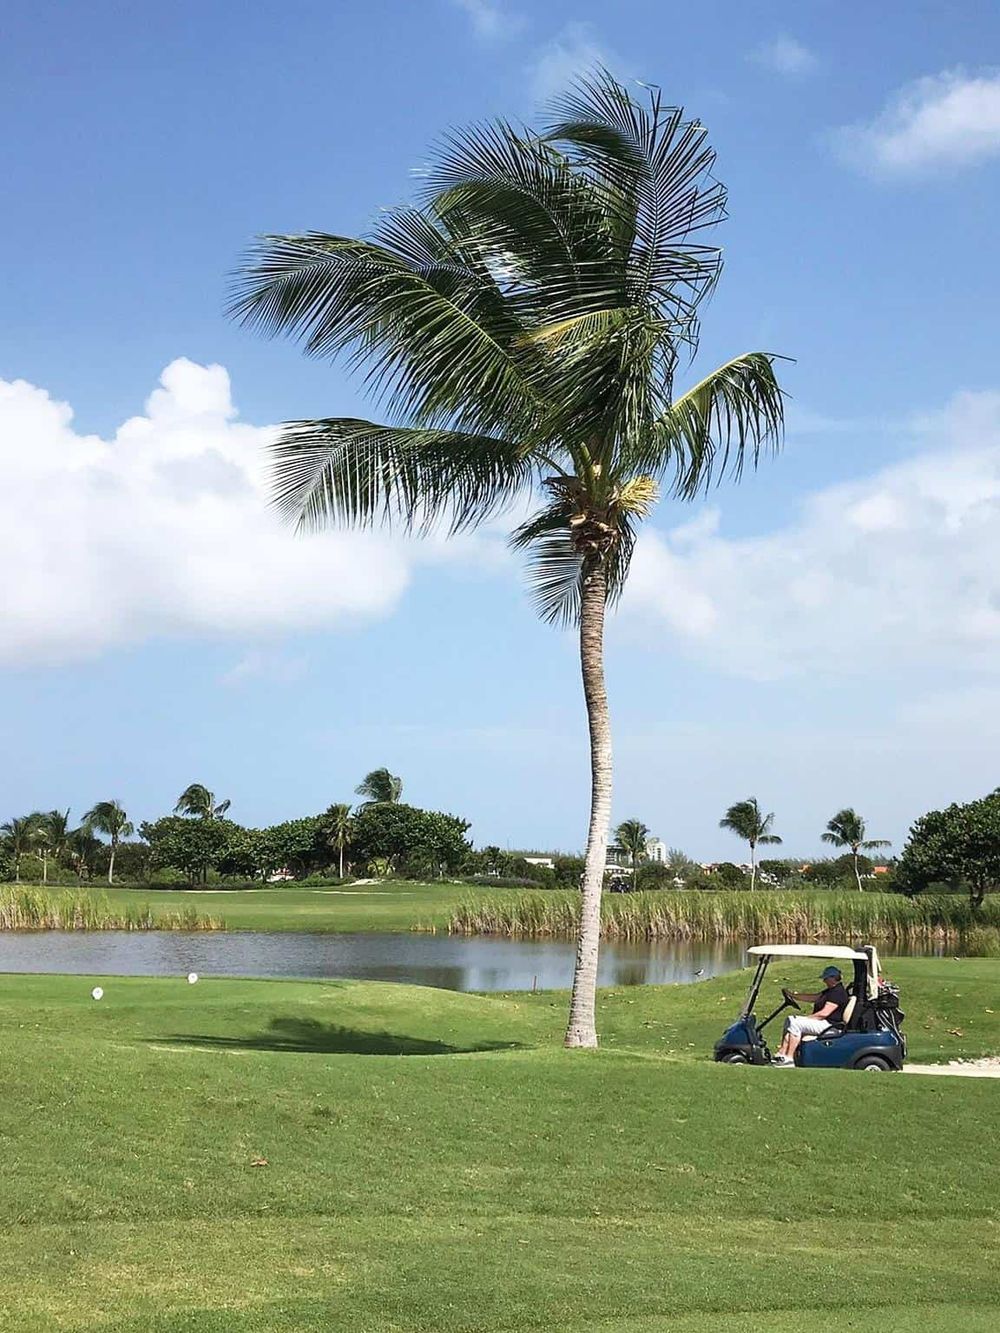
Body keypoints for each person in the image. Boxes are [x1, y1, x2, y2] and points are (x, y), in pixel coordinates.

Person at [771, 966, 850, 1066]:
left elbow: (824, 1014)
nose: (824, 981)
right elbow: (813, 997)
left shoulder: (838, 992)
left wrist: (807, 1018)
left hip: (830, 1026)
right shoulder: (830, 990)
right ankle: (782, 1054)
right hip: (824, 1023)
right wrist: (793, 995)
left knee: (795, 1023)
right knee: (790, 1020)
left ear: (832, 978)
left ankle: (790, 1058)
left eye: (825, 978)